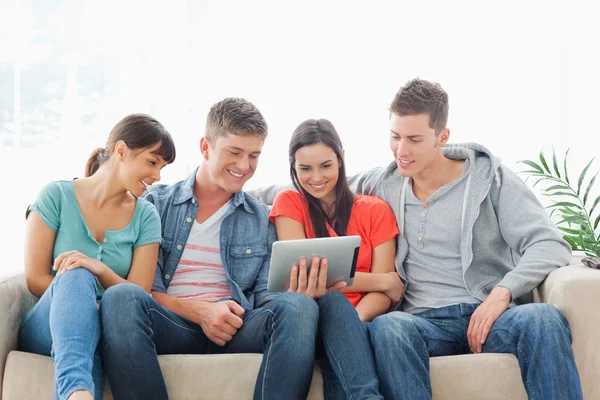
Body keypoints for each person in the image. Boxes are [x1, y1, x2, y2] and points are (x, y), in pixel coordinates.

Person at [253, 79, 583, 400]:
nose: (401, 150)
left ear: (443, 137)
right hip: (421, 323)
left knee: (544, 318)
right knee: (389, 328)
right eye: (395, 136)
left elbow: (549, 244)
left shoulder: (490, 179)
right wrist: (232, 190)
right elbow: (316, 183)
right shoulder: (385, 181)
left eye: (414, 139)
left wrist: (500, 295)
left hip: (489, 313)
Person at [99, 98, 381, 400]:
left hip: (235, 326)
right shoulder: (155, 204)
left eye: (254, 155)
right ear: (205, 147)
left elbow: (267, 299)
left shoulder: (261, 218)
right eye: (234, 152)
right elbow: (144, 291)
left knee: (298, 306)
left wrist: (302, 292)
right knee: (121, 298)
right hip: (171, 323)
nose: (244, 166)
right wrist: (201, 312)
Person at [19, 114, 176, 400]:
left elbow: (137, 293)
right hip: (50, 321)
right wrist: (81, 301)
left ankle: (77, 394)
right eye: (152, 162)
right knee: (76, 273)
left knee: (86, 331)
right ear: (120, 151)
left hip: (110, 327)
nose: (158, 176)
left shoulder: (146, 216)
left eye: (162, 167)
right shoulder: (55, 196)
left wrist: (99, 269)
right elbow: (35, 278)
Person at [269, 118, 404, 398]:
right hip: (309, 324)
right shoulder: (289, 203)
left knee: (337, 310)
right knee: (330, 300)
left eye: (325, 166)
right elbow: (306, 277)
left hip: (362, 319)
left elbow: (384, 296)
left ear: (341, 159)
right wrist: (380, 280)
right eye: (305, 168)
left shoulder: (375, 210)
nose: (316, 178)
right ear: (293, 166)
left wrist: (351, 322)